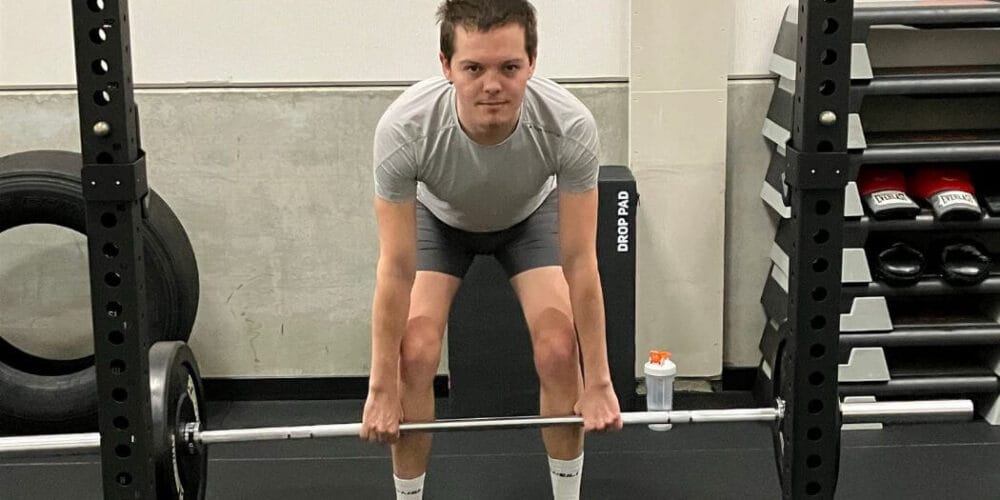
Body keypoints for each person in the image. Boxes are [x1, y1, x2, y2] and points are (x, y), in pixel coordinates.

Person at [361, 1, 623, 498]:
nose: (492, 85)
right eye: (473, 68)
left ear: (532, 62)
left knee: (559, 348)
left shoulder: (569, 125)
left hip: (528, 219)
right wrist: (381, 389)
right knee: (414, 352)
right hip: (441, 223)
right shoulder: (404, 129)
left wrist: (599, 381)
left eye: (509, 67)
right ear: (446, 66)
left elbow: (580, 262)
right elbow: (395, 269)